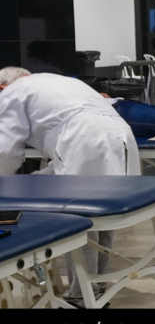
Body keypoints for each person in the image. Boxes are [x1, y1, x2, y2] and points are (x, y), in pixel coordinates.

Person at [0, 68, 139, 307]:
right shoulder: (56, 80)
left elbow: (5, 151)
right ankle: (96, 290)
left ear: (2, 86)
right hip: (121, 134)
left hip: (84, 137)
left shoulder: (12, 92)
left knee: (79, 218)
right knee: (104, 214)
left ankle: (81, 296)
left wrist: (5, 187)